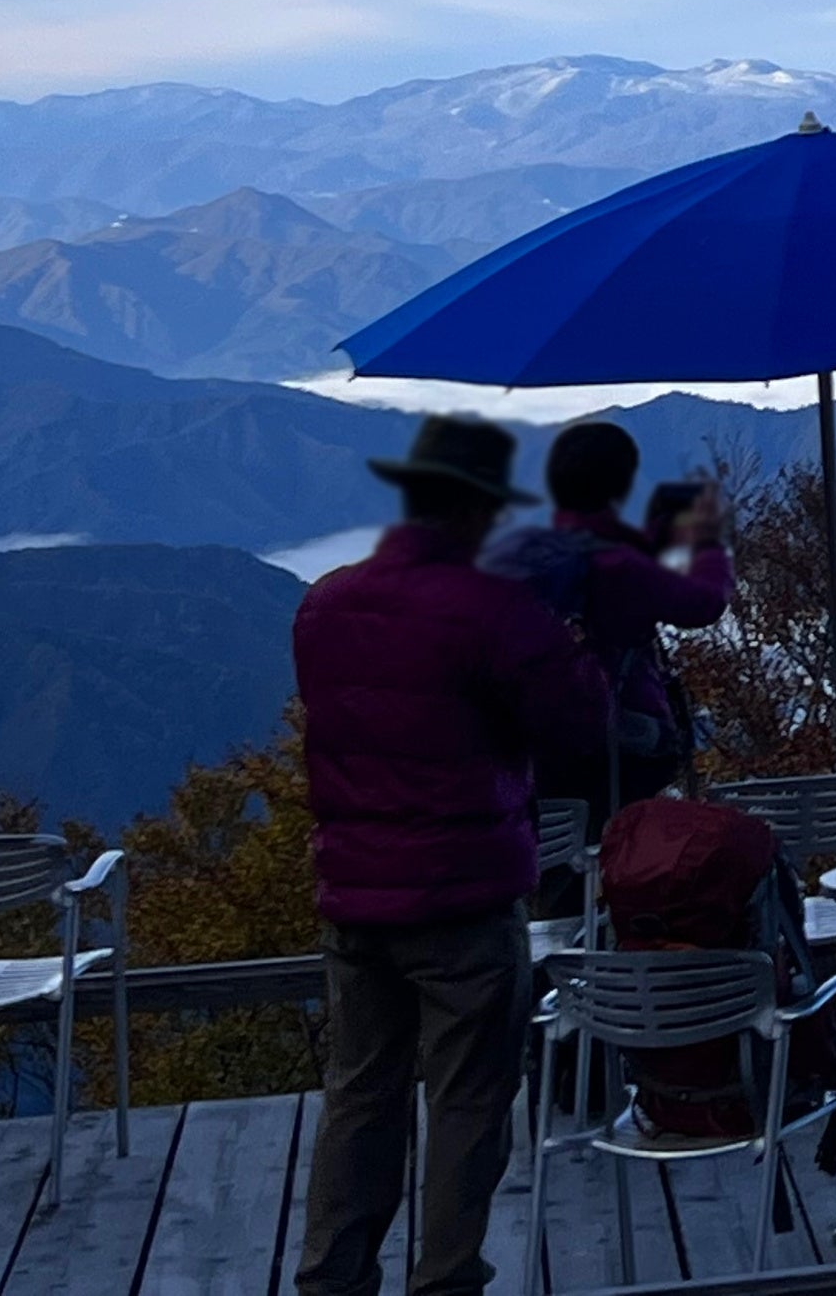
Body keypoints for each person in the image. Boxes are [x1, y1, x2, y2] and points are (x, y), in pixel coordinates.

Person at [293, 416, 607, 1296]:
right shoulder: (497, 612)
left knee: (360, 1093)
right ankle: (445, 1281)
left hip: (353, 895)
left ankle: (331, 1279)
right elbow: (578, 726)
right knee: (468, 1099)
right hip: (464, 896)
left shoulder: (324, 602)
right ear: (476, 510)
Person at [486, 420, 732, 837]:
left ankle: (561, 897)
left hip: (526, 745)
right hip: (622, 743)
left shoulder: (516, 555)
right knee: (615, 850)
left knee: (557, 854)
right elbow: (704, 603)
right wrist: (706, 543)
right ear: (622, 487)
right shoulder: (619, 565)